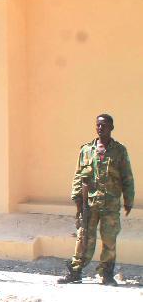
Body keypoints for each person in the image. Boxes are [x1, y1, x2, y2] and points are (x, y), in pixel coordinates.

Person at [59, 113, 134, 285]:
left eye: (104, 125)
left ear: (111, 128)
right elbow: (78, 176)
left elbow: (127, 176)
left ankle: (106, 274)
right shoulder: (86, 150)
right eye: (98, 125)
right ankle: (75, 272)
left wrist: (128, 200)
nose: (100, 128)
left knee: (109, 239)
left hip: (111, 203)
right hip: (89, 204)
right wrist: (77, 202)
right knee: (84, 237)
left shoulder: (119, 151)